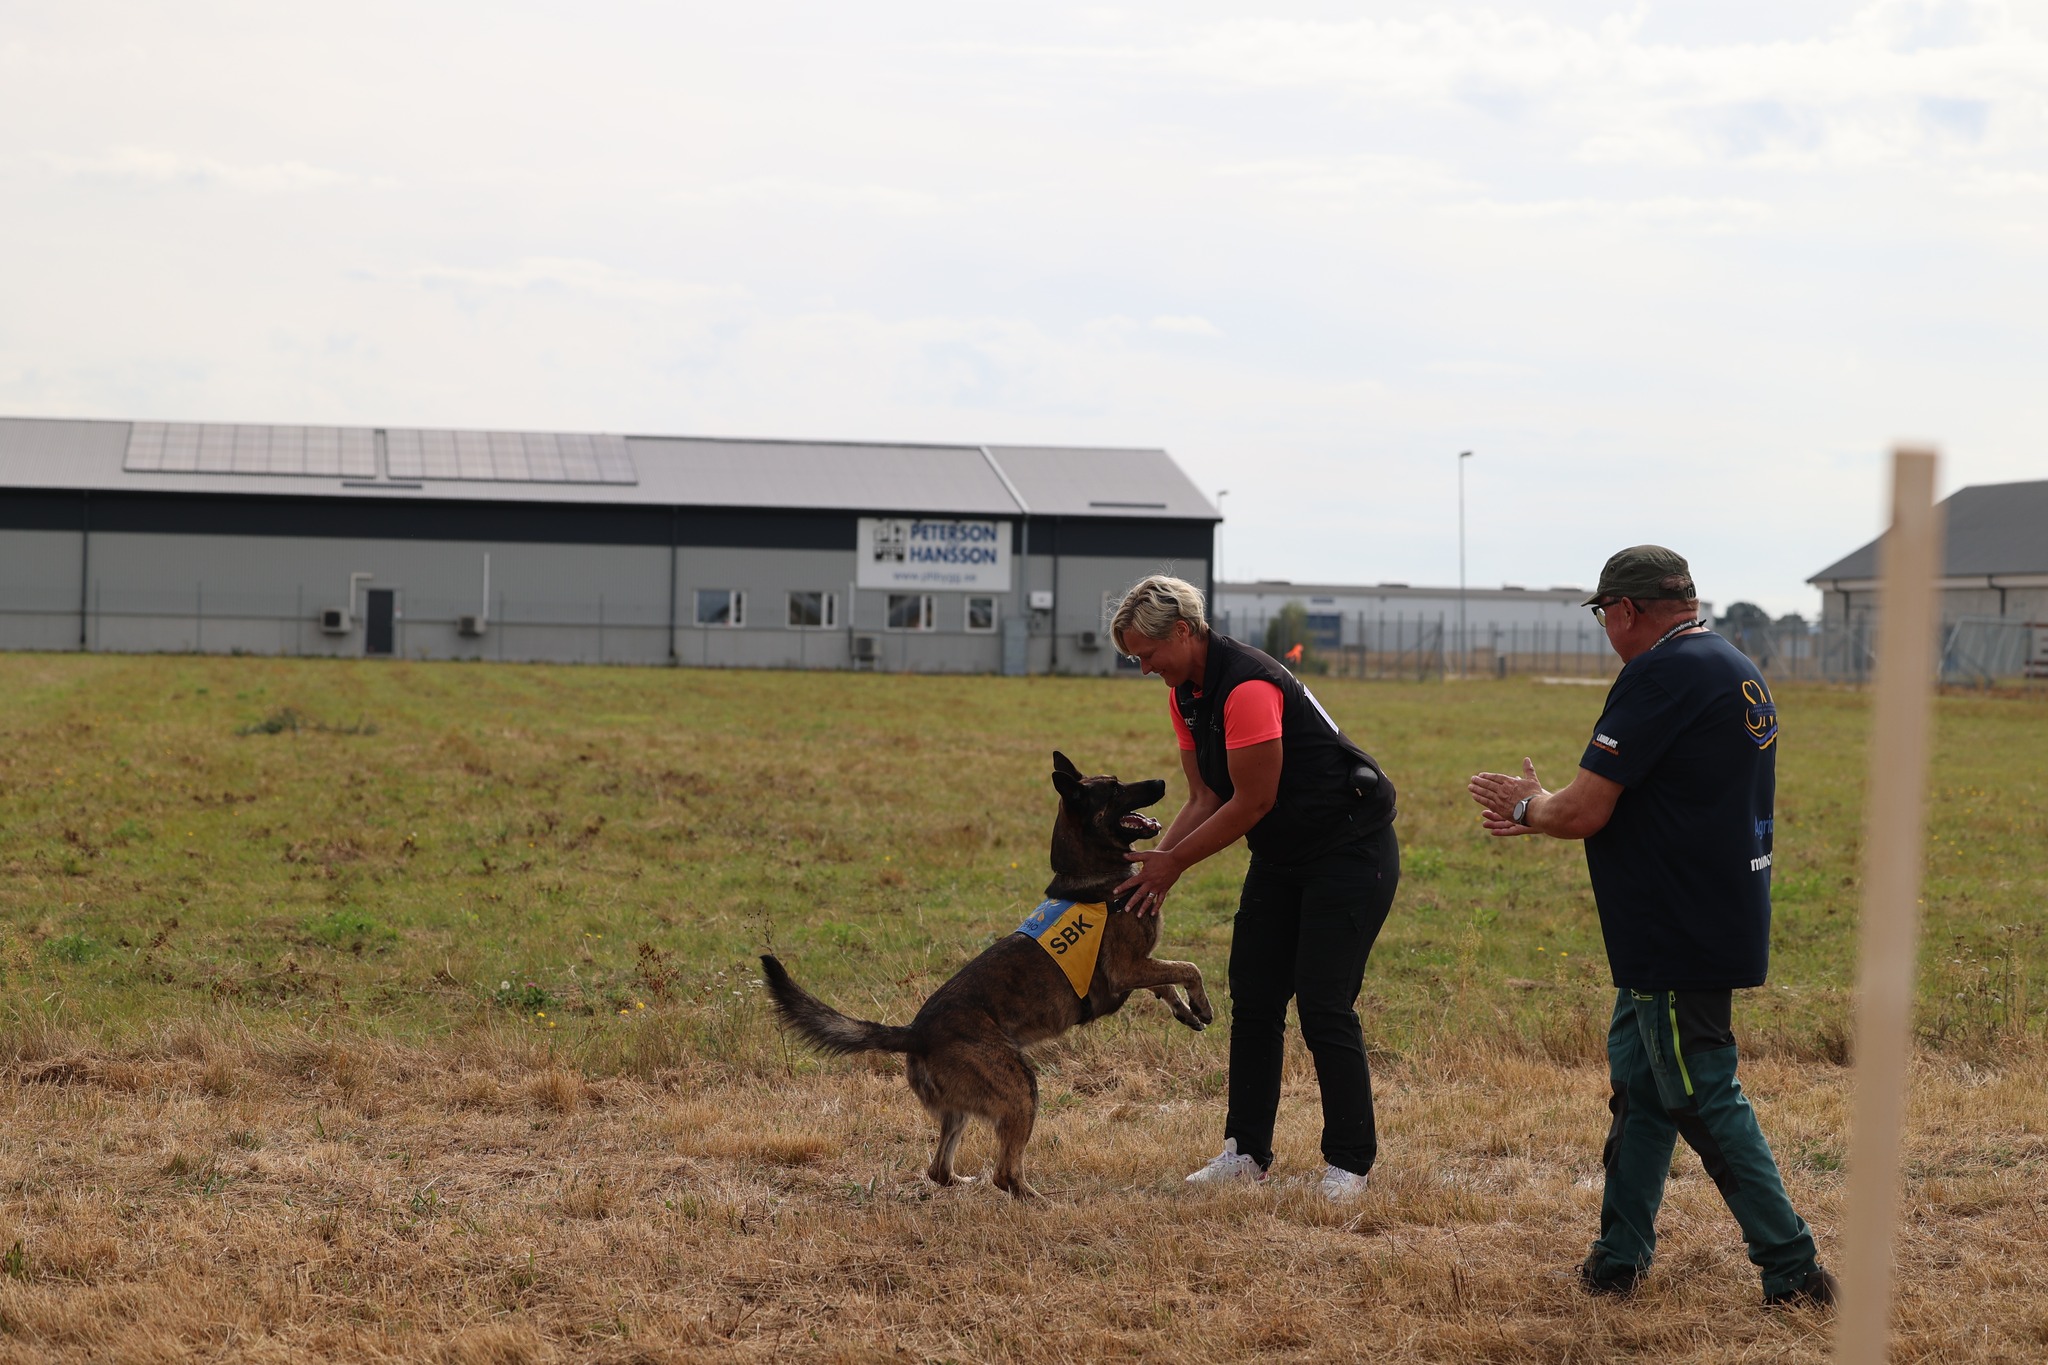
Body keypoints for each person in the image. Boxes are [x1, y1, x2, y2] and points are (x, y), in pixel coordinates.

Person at [1465, 545, 1836, 1307]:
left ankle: (1794, 1268)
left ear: (1627, 610)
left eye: (1605, 615)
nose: (1606, 629)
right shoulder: (1733, 661)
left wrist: (1526, 806)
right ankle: (1618, 1258)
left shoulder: (1659, 673)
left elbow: (1586, 808)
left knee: (1701, 1090)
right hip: (1706, 908)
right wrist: (1549, 802)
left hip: (1674, 925)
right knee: (1641, 1086)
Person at [1110, 574, 1400, 1199]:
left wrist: (1174, 864)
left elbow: (1255, 800)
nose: (1143, 668)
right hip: (1283, 855)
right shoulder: (1185, 693)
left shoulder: (1246, 686)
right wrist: (1157, 865)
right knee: (1255, 1000)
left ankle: (1348, 1165)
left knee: (1324, 1004)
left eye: (1147, 654)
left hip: (1348, 850)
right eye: (1135, 658)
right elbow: (1205, 796)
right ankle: (1245, 1152)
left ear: (1183, 633)